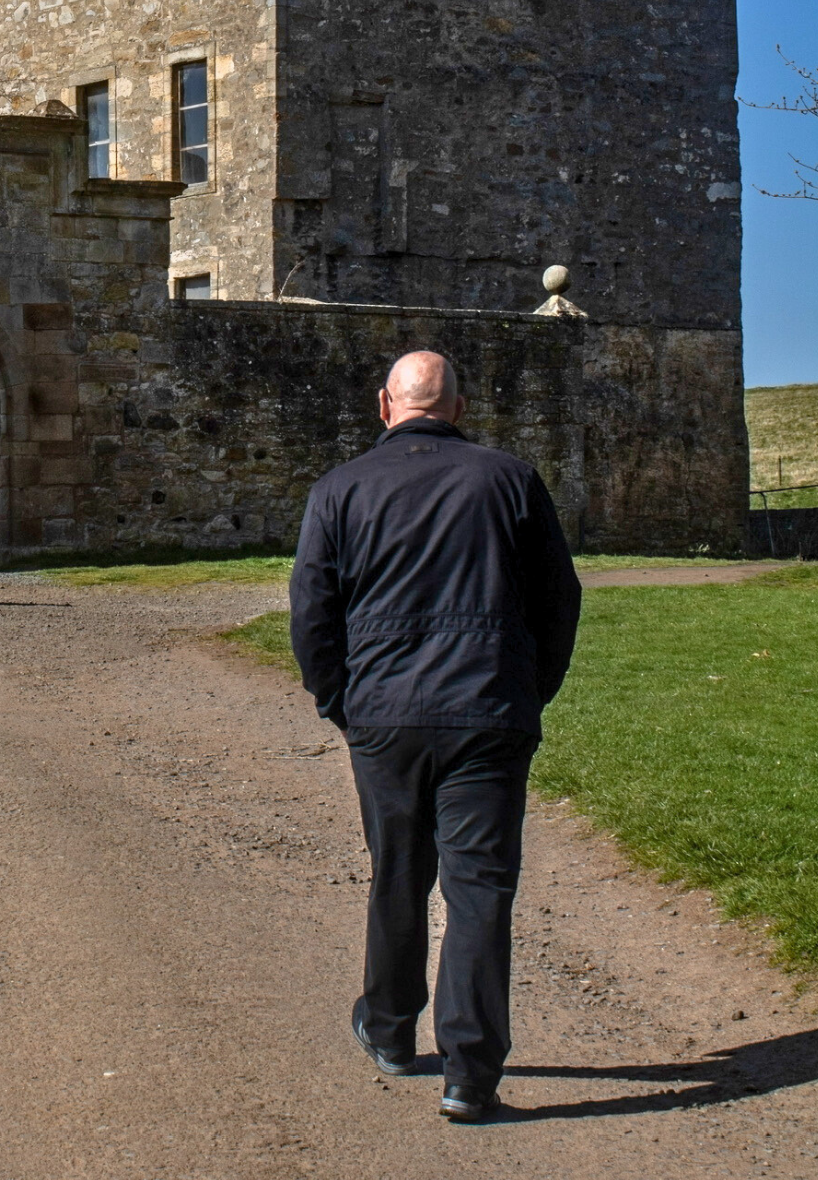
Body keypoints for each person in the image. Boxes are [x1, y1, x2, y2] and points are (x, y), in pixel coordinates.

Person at [289, 350, 580, 1122]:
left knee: (397, 872)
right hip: (487, 708)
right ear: (457, 406)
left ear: (385, 404)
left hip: (385, 713)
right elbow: (559, 600)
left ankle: (388, 1030)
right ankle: (470, 1072)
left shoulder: (340, 488)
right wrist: (527, 691)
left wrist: (339, 701)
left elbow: (313, 613)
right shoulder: (508, 479)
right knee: (480, 888)